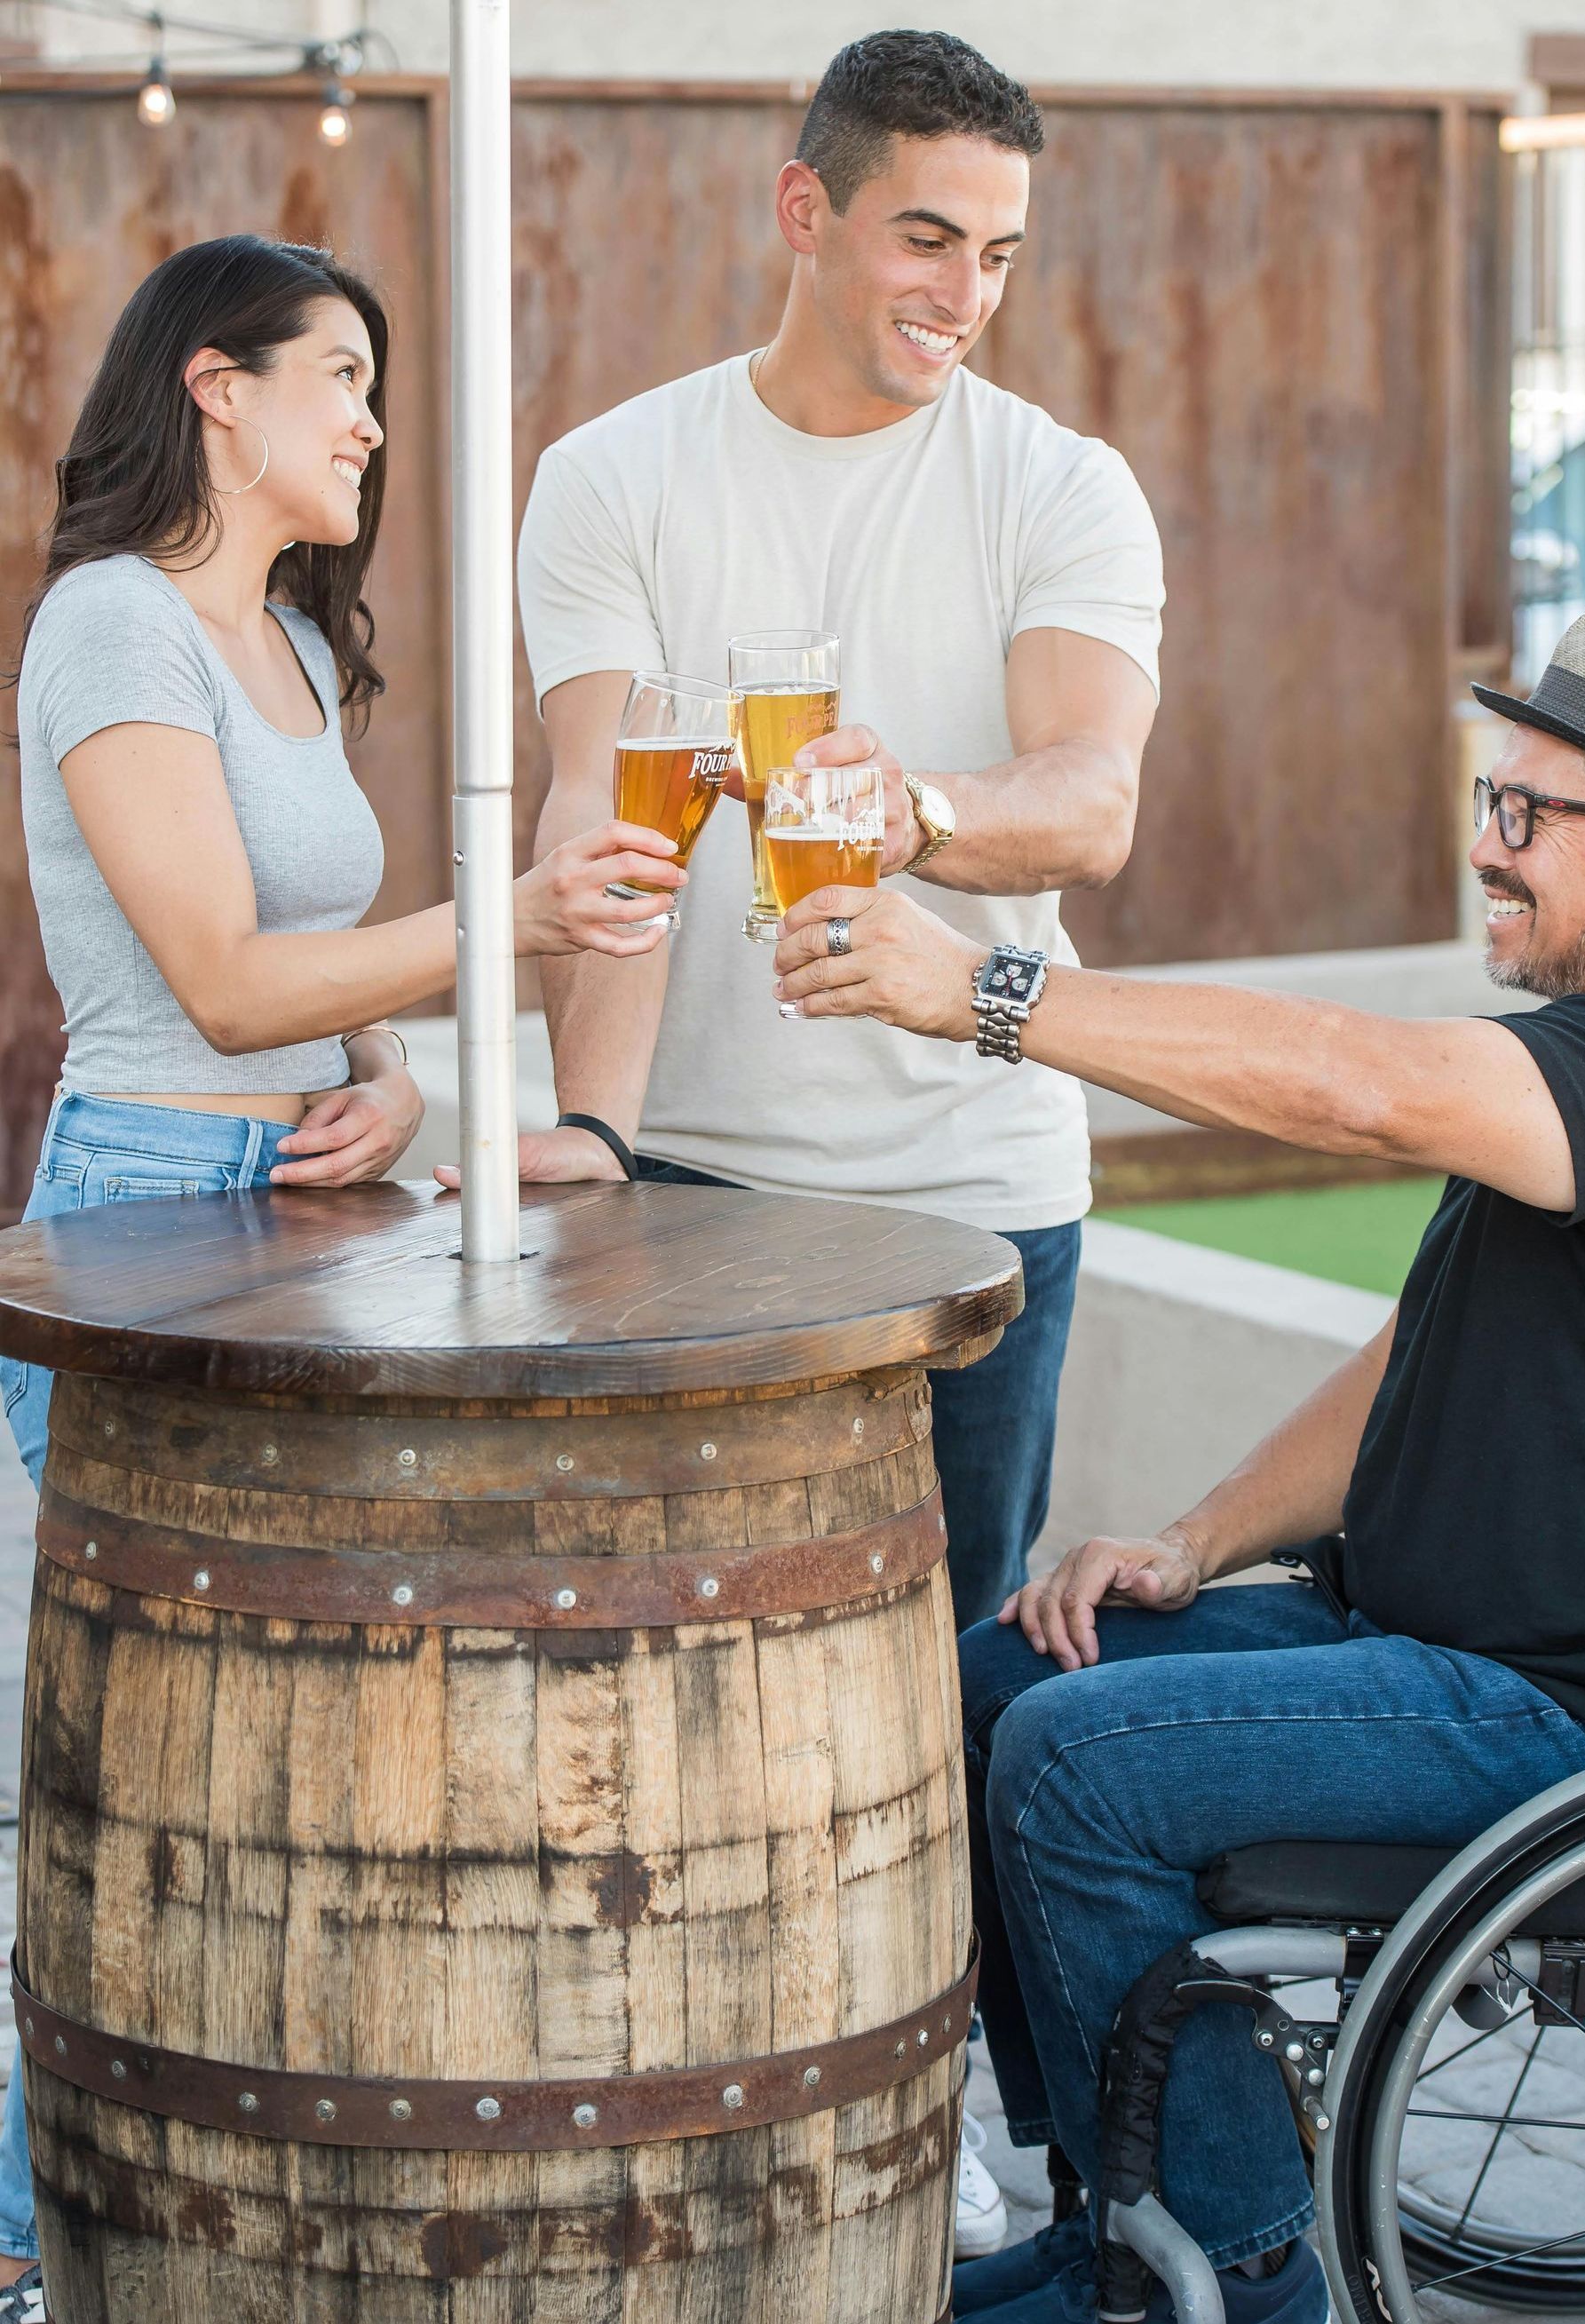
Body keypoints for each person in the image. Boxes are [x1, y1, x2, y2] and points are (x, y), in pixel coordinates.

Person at [770, 607, 1585, 2323]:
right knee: (986, 1678)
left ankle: (1248, 2268)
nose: (1487, 853)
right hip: (1429, 1646)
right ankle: (1116, 2216)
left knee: (1076, 1761)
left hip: (1583, 1721)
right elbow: (1412, 1361)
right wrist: (1194, 1539)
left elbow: (1355, 1087)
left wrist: (985, 988)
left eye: (1531, 819)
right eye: (1488, 805)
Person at [0, 234, 683, 2314]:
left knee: (233, 1752)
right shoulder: (115, 627)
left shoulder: (291, 639)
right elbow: (210, 981)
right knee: (71, 1762)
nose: (376, 419)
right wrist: (514, 927)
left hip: (299, 1209)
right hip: (143, 1211)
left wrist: (387, 1074)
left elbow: (303, 991)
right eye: (344, 375)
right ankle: (35, 2250)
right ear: (214, 386)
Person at [495, 28, 1163, 1647]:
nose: (965, 293)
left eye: (997, 252)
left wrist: (924, 810)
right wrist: (595, 1122)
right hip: (690, 1186)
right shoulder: (612, 476)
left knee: (939, 1684)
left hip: (979, 1201)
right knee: (668, 1674)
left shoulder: (1062, 487)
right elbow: (600, 813)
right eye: (925, 238)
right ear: (807, 209)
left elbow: (1094, 796)